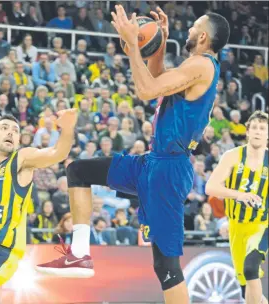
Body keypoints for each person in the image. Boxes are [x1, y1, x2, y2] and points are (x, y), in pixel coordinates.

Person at [36, 6, 230, 304]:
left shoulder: (201, 65)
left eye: (193, 27)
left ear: (203, 36)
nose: (187, 30)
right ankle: (79, 255)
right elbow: (159, 79)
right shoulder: (195, 66)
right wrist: (159, 43)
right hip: (152, 163)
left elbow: (146, 90)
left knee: (166, 266)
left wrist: (131, 45)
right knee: (78, 171)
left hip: (168, 170)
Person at [0, 109, 77, 294]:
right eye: (4, 128)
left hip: (0, 251)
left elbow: (57, 153)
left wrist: (67, 128)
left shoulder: (20, 159)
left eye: (15, 130)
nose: (10, 132)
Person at [206, 111, 268, 304]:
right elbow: (211, 187)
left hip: (261, 225)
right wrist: (239, 195)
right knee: (245, 288)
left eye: (262, 128)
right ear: (247, 132)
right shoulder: (232, 156)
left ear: (267, 134)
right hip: (236, 226)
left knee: (251, 268)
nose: (258, 132)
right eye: (254, 127)